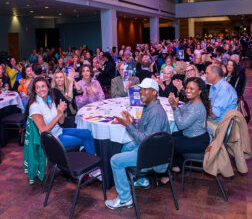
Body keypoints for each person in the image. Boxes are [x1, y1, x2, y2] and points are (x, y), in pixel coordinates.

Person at [105, 78, 170, 210]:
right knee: (126, 147)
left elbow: (145, 140)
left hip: (153, 156)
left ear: (155, 92)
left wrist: (128, 125)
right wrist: (132, 122)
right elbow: (145, 133)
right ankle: (140, 179)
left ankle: (125, 199)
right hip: (152, 148)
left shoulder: (155, 112)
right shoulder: (149, 106)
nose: (141, 92)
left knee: (115, 161)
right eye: (141, 89)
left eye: (145, 89)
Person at [159, 77, 211, 185]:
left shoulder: (197, 106)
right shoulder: (192, 102)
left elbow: (181, 125)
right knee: (172, 135)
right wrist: (176, 105)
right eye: (187, 88)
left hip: (197, 140)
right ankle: (176, 166)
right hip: (192, 136)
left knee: (167, 143)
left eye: (192, 89)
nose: (187, 91)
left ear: (199, 91)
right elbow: (182, 110)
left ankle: (165, 175)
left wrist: (174, 108)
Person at [27, 76, 95, 154]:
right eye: (38, 87)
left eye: (43, 86)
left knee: (87, 132)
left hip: (58, 131)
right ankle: (91, 161)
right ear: (35, 90)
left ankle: (89, 158)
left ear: (48, 88)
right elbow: (43, 131)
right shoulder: (35, 106)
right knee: (84, 139)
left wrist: (61, 111)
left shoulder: (50, 100)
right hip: (51, 138)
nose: (41, 89)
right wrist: (59, 115)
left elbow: (61, 121)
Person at [205, 64, 237, 135]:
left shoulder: (224, 89)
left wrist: (208, 109)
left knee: (193, 126)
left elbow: (214, 115)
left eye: (207, 73)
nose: (205, 76)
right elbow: (210, 108)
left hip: (220, 125)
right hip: (215, 120)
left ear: (215, 75)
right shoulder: (214, 86)